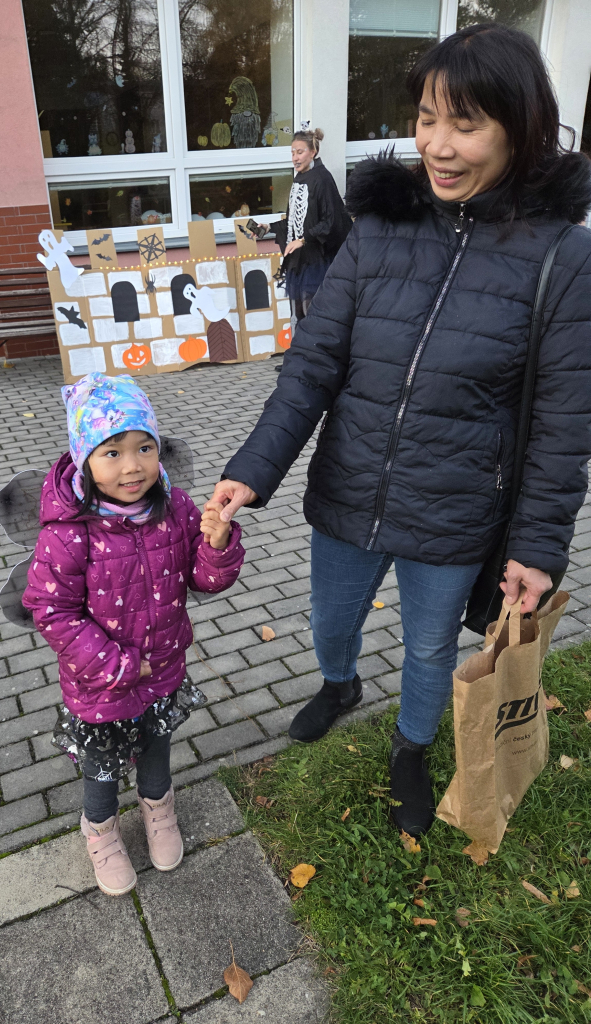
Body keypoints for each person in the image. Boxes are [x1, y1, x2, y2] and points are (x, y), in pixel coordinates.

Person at [210, 24, 591, 838]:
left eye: (466, 124)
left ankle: (411, 749)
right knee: (330, 622)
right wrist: (253, 465)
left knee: (425, 652)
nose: (438, 147)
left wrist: (539, 545)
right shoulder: (378, 229)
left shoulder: (564, 255)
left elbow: (565, 422)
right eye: (426, 118)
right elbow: (312, 364)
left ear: (519, 128)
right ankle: (340, 683)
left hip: (454, 509)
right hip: (349, 487)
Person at [23, 373, 244, 894]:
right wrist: (118, 665)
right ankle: (100, 832)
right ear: (84, 460)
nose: (132, 465)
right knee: (101, 769)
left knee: (157, 750)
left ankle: (159, 812)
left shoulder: (176, 509)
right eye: (112, 452)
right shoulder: (68, 532)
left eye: (144, 447)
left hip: (164, 671)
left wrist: (217, 543)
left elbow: (206, 579)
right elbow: (51, 611)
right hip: (100, 684)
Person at [256, 126, 352, 323]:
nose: (295, 158)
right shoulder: (300, 178)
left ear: (313, 152)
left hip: (317, 261)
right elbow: (294, 221)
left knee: (314, 314)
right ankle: (302, 352)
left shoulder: (322, 179)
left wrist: (303, 240)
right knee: (298, 314)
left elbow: (331, 221)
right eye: (292, 153)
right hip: (300, 260)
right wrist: (267, 228)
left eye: (300, 152)